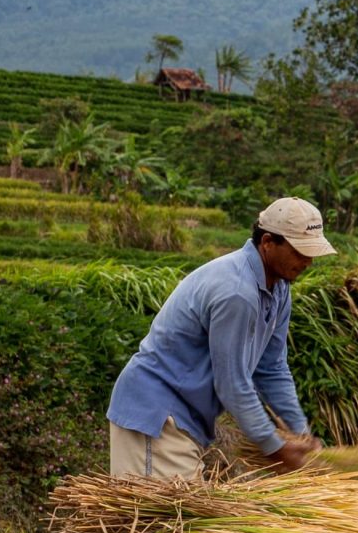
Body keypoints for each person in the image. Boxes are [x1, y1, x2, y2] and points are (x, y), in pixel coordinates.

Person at [106, 197, 336, 482]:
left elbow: (272, 369)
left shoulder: (279, 289)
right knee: (164, 511)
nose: (308, 261)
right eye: (300, 251)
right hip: (158, 417)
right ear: (267, 242)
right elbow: (232, 383)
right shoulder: (237, 293)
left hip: (186, 420)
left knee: (185, 510)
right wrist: (274, 446)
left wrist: (301, 436)